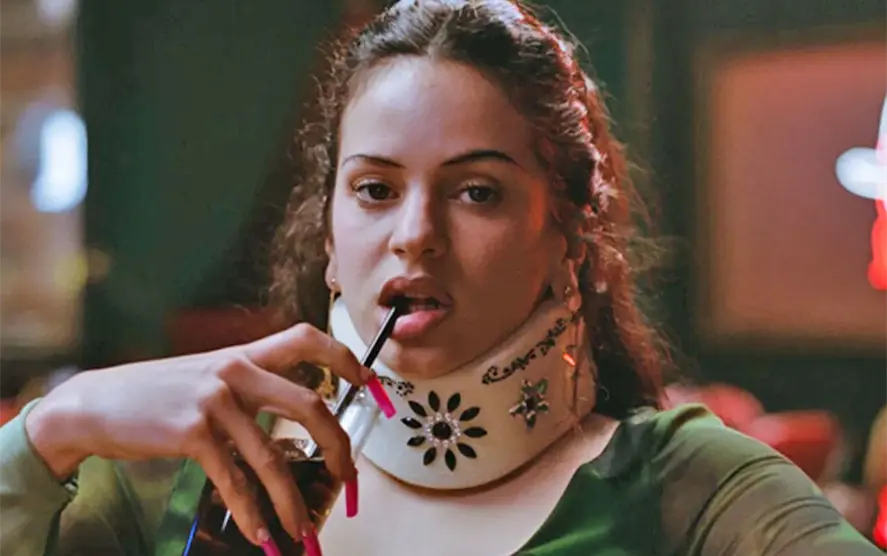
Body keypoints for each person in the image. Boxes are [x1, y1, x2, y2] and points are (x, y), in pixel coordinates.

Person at [0, 1, 881, 555]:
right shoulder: (164, 479)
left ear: (567, 236)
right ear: (328, 234)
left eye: (476, 192)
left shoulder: (689, 489)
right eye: (375, 190)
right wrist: (54, 426)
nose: (415, 236)